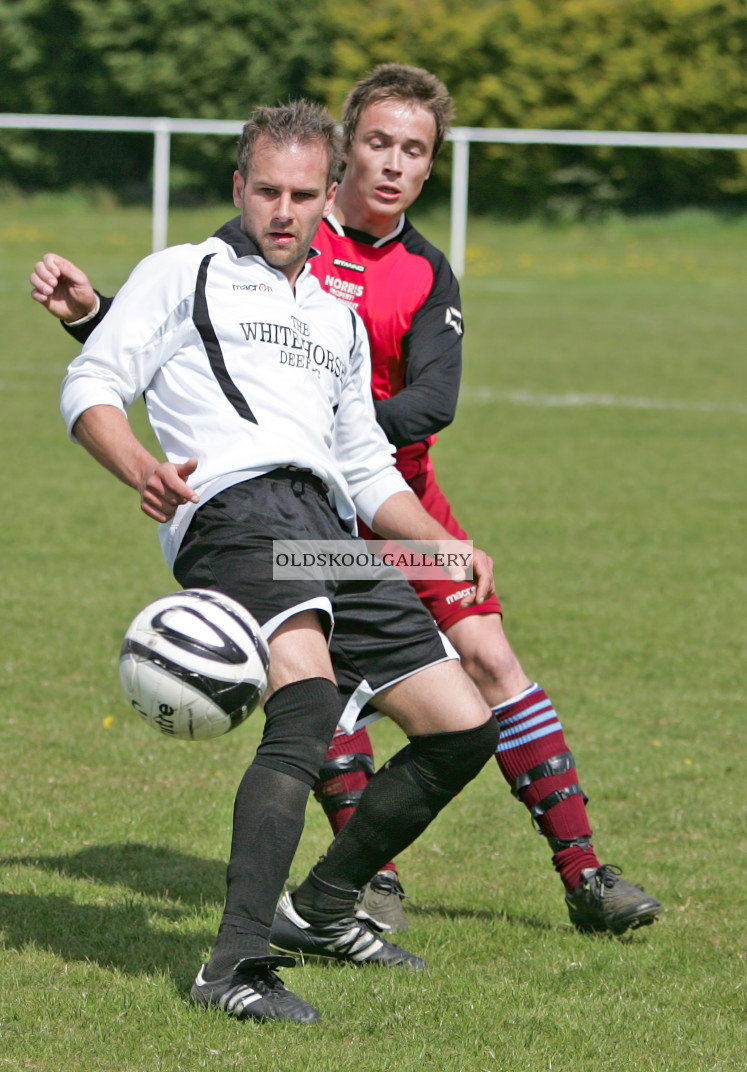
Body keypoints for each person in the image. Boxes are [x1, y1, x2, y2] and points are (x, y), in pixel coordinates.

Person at [33, 65, 661, 939]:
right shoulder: (227, 253)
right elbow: (135, 359)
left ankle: (455, 886)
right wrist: (134, 424)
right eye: (377, 143)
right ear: (322, 162)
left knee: (473, 694)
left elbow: (396, 438)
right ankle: (288, 929)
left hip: (356, 507)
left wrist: (419, 524)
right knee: (310, 697)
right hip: (255, 509)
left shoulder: (379, 293)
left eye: (413, 151)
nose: (282, 210)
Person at [57, 99, 511, 1025]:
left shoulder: (337, 315)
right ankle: (232, 963)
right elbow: (91, 383)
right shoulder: (182, 273)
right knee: (303, 704)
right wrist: (140, 466)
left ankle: (321, 909)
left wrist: (443, 543)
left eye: (304, 194)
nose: (284, 211)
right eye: (267, 190)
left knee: (462, 723)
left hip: (325, 526)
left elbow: (364, 465)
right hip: (232, 509)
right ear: (239, 186)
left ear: (325, 195)